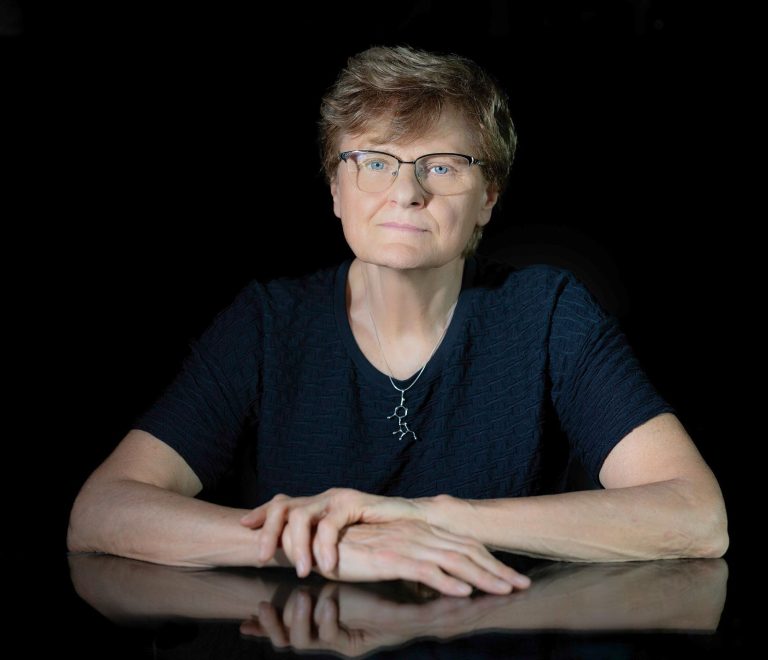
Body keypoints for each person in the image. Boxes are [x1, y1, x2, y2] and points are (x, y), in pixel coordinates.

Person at [67, 45, 728, 597]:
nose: (407, 192)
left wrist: (429, 518)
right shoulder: (268, 323)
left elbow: (697, 517)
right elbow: (101, 510)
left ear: (487, 198)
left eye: (442, 166)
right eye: (375, 162)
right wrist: (324, 547)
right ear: (335, 188)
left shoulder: (547, 312)